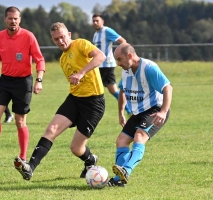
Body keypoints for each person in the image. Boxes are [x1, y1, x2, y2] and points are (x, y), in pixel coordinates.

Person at [14, 22, 106, 181]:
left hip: (93, 103)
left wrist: (82, 73)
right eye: (56, 39)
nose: (60, 41)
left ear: (69, 34)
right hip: (74, 99)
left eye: (62, 37)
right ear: (53, 40)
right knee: (51, 129)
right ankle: (30, 167)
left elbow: (101, 56)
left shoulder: (81, 44)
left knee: (76, 148)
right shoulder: (63, 59)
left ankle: (90, 160)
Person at [0, 7, 45, 167]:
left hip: (23, 82)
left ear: (20, 20)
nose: (13, 21)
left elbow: (40, 59)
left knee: (20, 121)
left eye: (16, 18)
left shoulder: (28, 36)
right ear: (5, 20)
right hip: (5, 81)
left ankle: (23, 157)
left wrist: (39, 80)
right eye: (10, 18)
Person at [107, 43, 173, 187]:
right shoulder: (126, 70)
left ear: (129, 55)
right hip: (138, 112)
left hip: (155, 109)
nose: (118, 63)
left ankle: (125, 171)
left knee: (139, 136)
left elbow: (167, 87)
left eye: (119, 59)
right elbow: (123, 91)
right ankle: (119, 180)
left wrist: (163, 111)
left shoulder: (149, 68)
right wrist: (120, 113)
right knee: (121, 141)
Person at [92, 13, 131, 114]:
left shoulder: (107, 31)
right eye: (93, 21)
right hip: (98, 65)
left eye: (97, 21)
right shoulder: (96, 34)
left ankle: (129, 108)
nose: (95, 23)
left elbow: (123, 41)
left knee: (112, 89)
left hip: (107, 65)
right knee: (95, 88)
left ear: (102, 21)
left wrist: (121, 56)